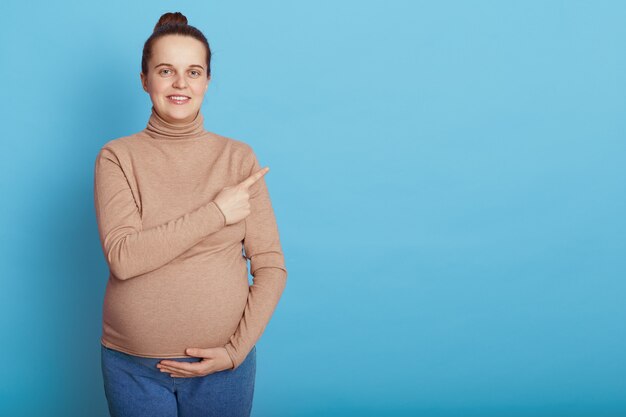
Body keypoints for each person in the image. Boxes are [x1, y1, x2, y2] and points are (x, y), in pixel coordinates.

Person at [93, 11, 288, 417]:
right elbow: (124, 258)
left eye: (193, 72)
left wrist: (235, 352)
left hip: (222, 371)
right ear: (144, 79)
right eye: (166, 71)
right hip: (133, 368)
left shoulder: (238, 158)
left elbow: (270, 265)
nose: (181, 83)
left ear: (207, 81)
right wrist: (217, 211)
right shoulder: (117, 157)